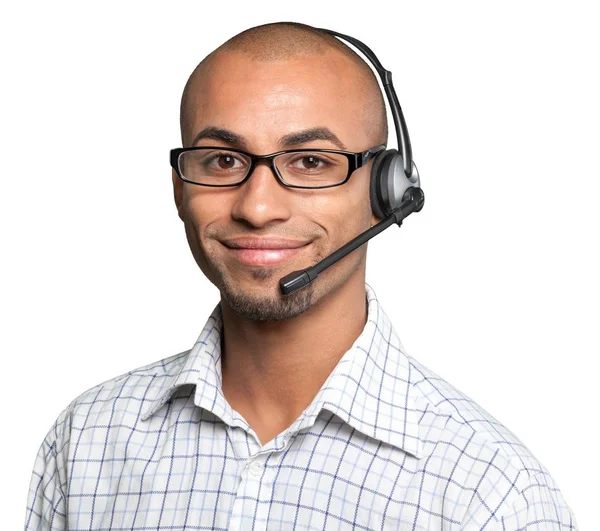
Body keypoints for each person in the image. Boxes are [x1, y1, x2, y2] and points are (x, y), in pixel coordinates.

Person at [25, 22, 577, 530]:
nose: (258, 208)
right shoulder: (86, 443)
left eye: (310, 162)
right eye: (221, 160)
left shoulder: (491, 494)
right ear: (179, 189)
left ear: (388, 191)